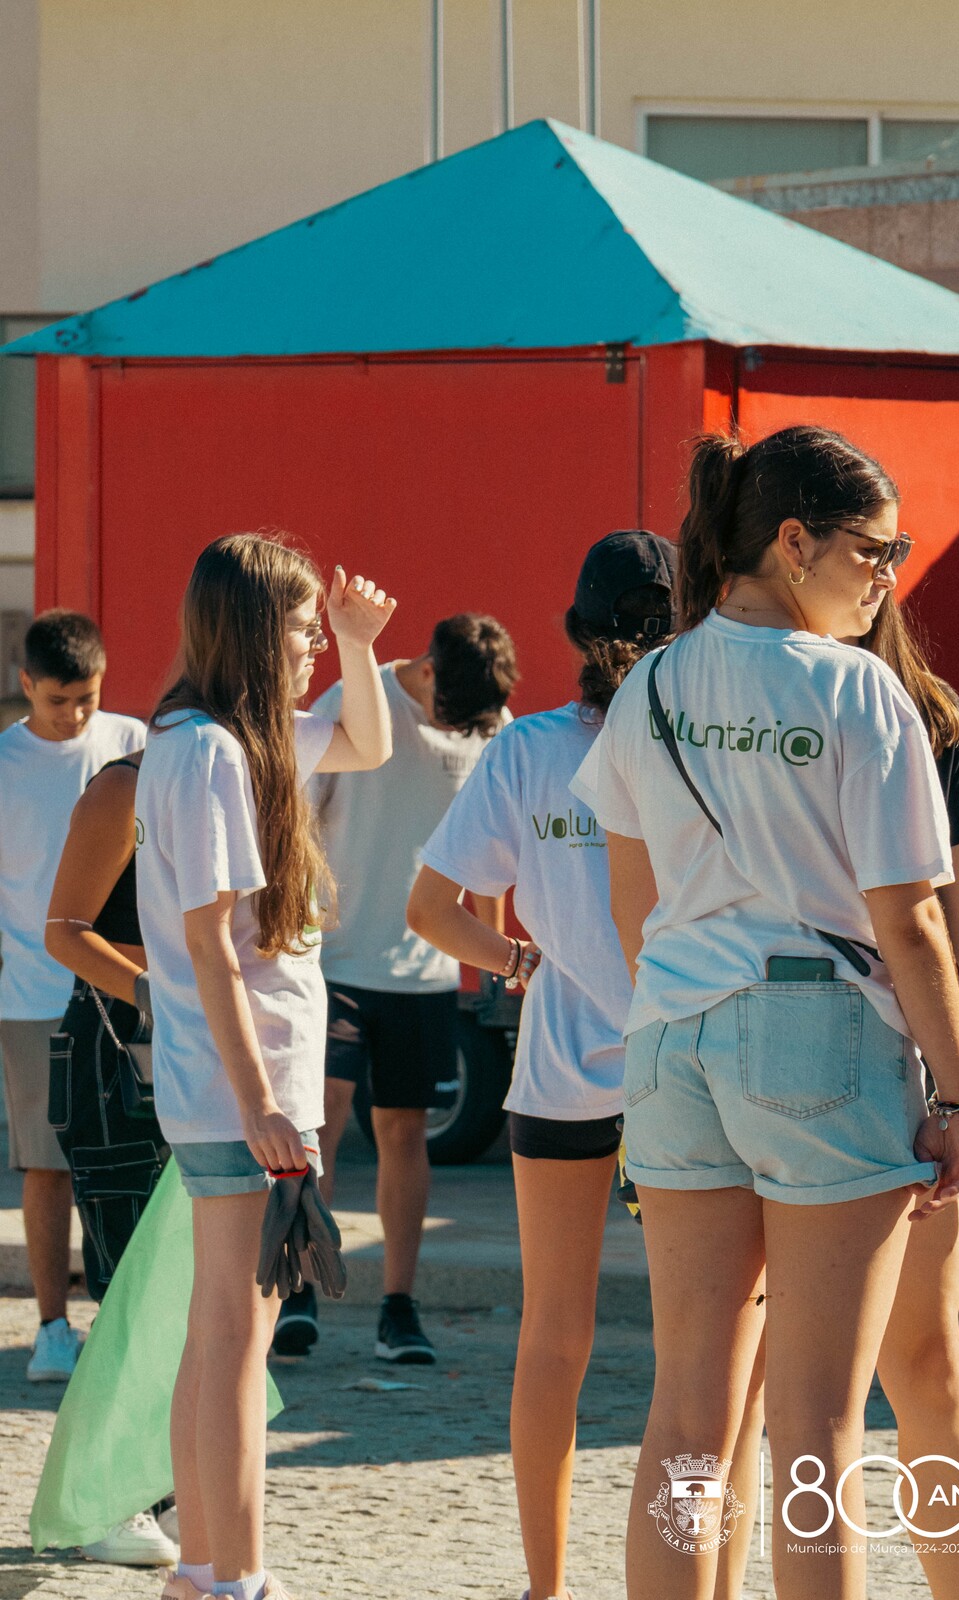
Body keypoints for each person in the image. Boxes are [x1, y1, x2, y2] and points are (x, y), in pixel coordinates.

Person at [571, 426, 959, 1600]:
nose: (888, 573)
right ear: (794, 542)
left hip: (669, 1033)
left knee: (686, 1414)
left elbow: (632, 904)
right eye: (873, 549)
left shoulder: (650, 682)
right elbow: (910, 920)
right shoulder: (855, 689)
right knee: (814, 1424)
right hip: (817, 1028)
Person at [408, 531, 678, 1600]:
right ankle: (693, 1575)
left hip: (562, 1070)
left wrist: (524, 959)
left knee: (552, 1338)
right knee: (705, 1361)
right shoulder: (709, 742)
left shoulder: (525, 750)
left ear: (574, 632)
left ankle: (544, 1587)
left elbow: (430, 911)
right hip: (690, 1073)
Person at [136, 533, 394, 1600]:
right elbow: (209, 943)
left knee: (218, 1334)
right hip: (241, 1089)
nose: (311, 645)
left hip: (234, 1087)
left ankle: (204, 1569)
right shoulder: (209, 753)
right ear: (250, 631)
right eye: (299, 628)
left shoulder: (223, 739)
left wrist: (359, 642)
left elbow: (367, 744)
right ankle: (233, 1574)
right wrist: (261, 1104)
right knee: (235, 1344)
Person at [297, 614, 517, 1364]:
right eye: (448, 717)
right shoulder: (354, 702)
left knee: (403, 1133)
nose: (455, 732)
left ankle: (398, 1307)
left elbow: (487, 851)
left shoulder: (488, 724)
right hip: (335, 959)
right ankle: (302, 1289)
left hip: (424, 971)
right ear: (425, 671)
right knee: (322, 1123)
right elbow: (300, 819)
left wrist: (489, 961)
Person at [0, 610, 144, 1383]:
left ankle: (128, 1326)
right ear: (26, 684)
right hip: (32, 995)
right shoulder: (4, 763)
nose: (76, 714)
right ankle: (53, 1330)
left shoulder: (133, 744)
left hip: (125, 986)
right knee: (49, 1164)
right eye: (58, 700)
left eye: (87, 697)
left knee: (135, 1161)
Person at [43, 747, 177, 1569]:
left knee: (182, 1289)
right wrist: (161, 994)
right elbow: (65, 931)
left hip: (196, 1046)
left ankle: (161, 1485)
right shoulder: (127, 784)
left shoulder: (238, 777)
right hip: (117, 1046)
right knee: (127, 1283)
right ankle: (106, 1499)